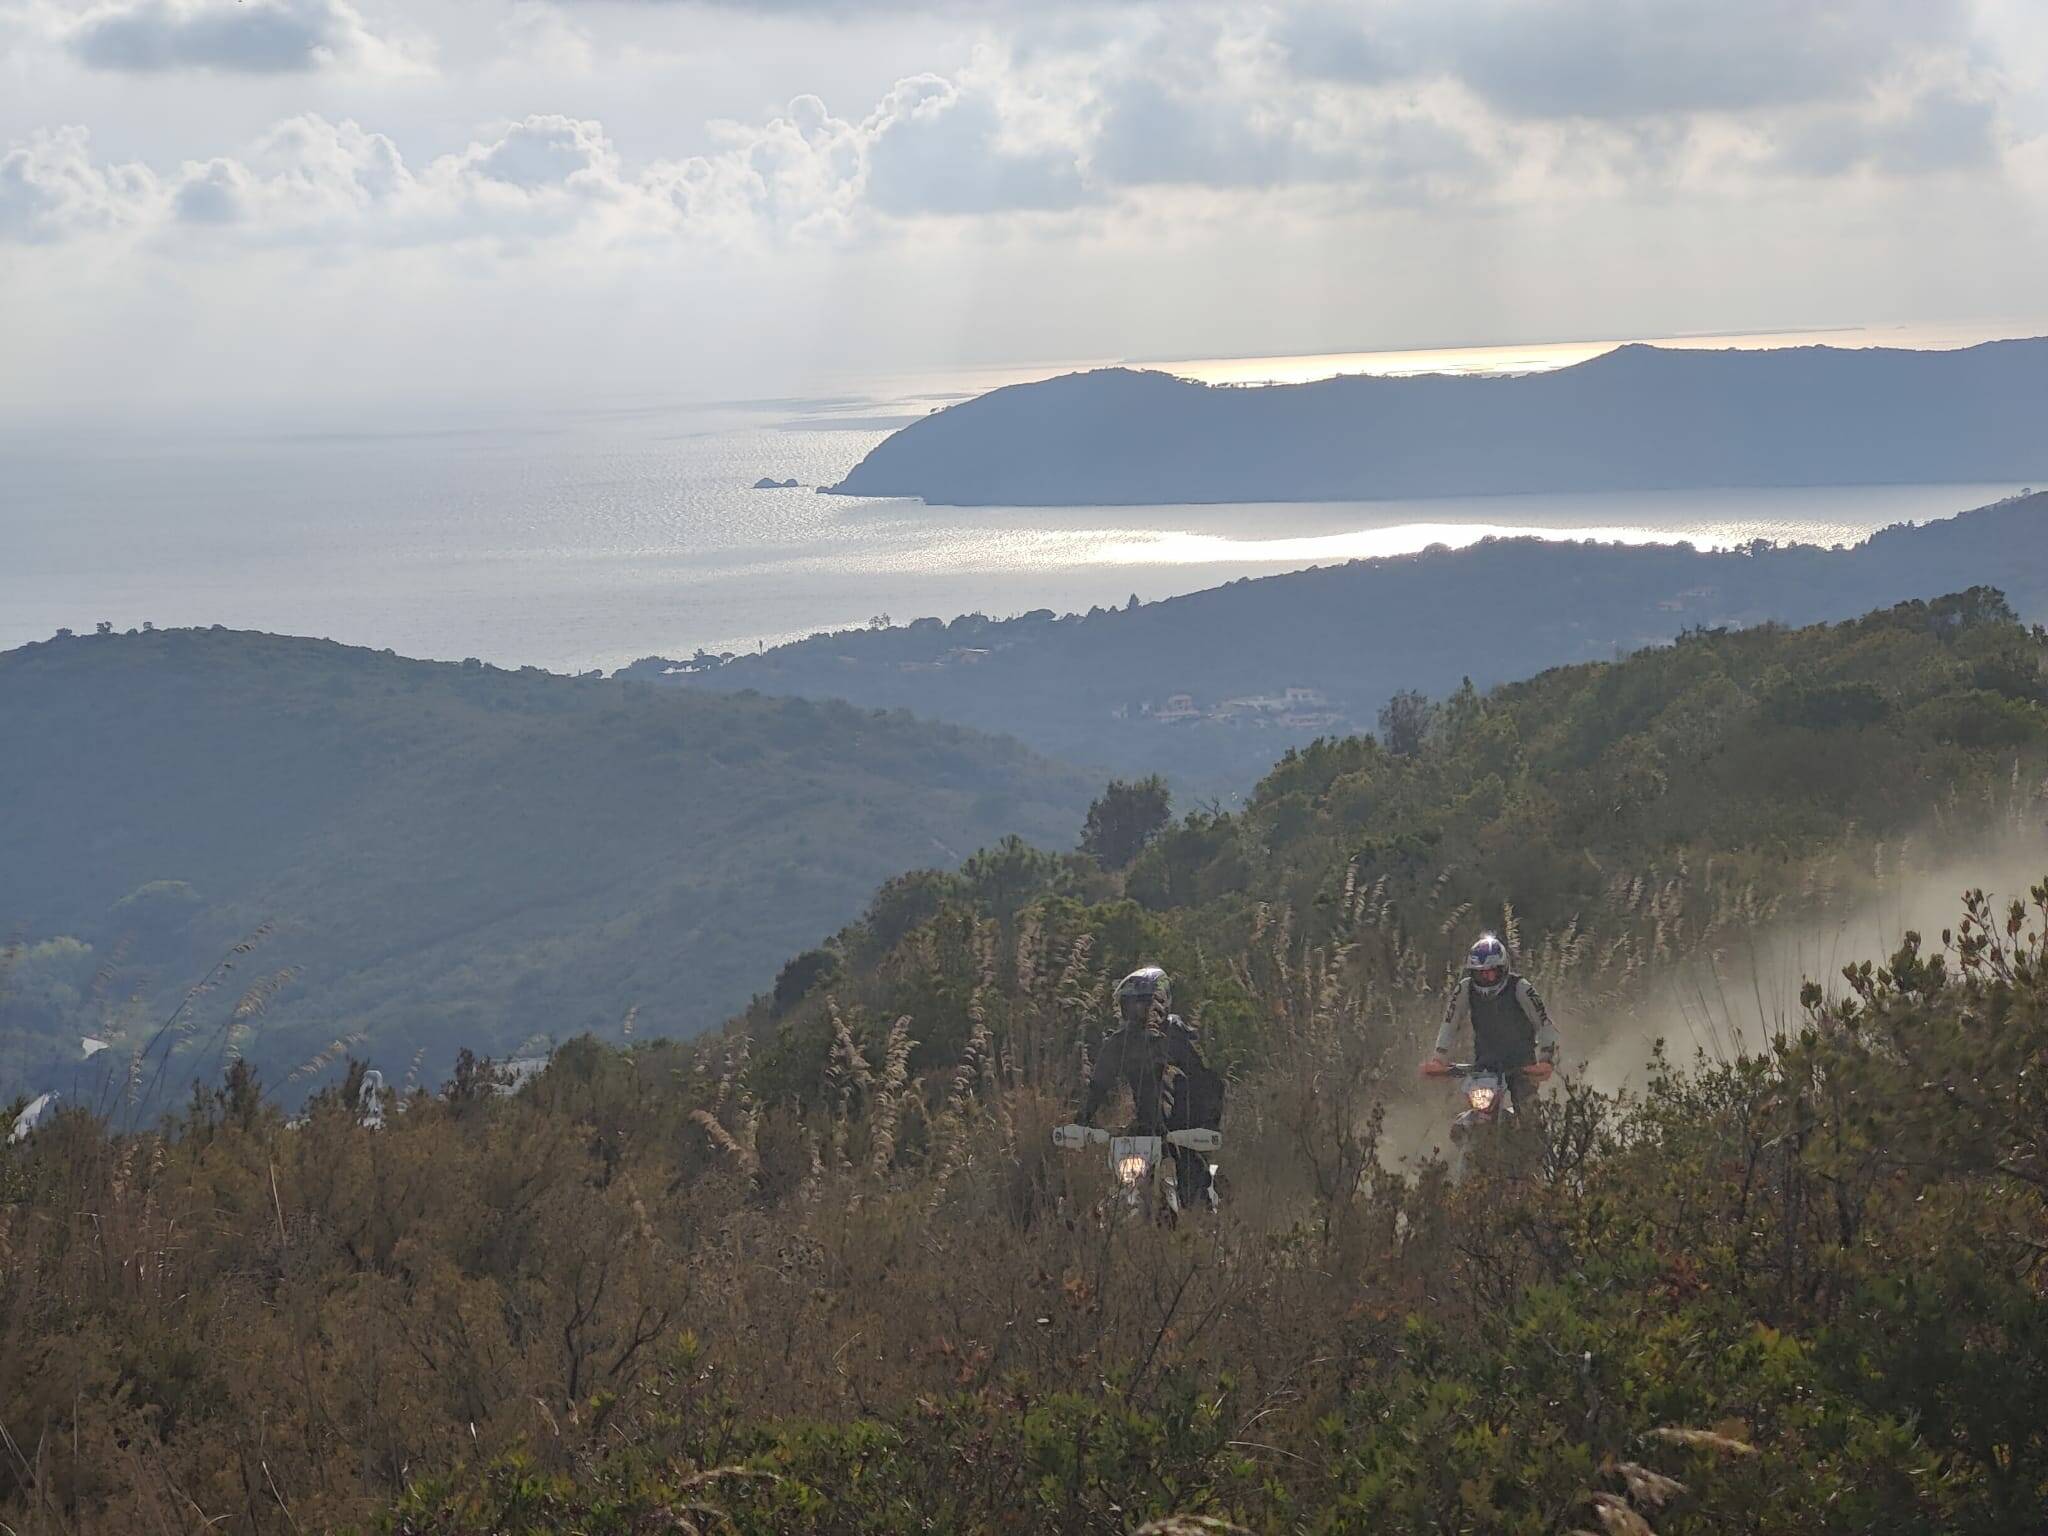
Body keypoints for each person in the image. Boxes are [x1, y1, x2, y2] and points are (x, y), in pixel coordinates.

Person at [1076, 966, 1221, 1207]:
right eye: (1131, 1004)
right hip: (1144, 1129)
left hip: (1183, 1129)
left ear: (1160, 1002)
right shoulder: (1118, 1043)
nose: (1138, 1011)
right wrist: (1082, 1119)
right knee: (1125, 1187)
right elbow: (1098, 1086)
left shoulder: (1176, 1035)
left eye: (1143, 1003)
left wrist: (1205, 1123)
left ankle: (1204, 1226)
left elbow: (1207, 1083)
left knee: (1193, 1188)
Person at [1423, 933, 1559, 1112]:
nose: (1486, 977)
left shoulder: (1521, 987)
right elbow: (1449, 1023)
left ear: (1502, 969)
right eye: (1480, 974)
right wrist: (1439, 1059)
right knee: (1476, 1111)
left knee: (1529, 1114)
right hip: (1485, 1065)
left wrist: (1546, 1059)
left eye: (1491, 972)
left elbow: (1543, 1023)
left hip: (1522, 1066)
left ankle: (1537, 1137)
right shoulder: (1465, 988)